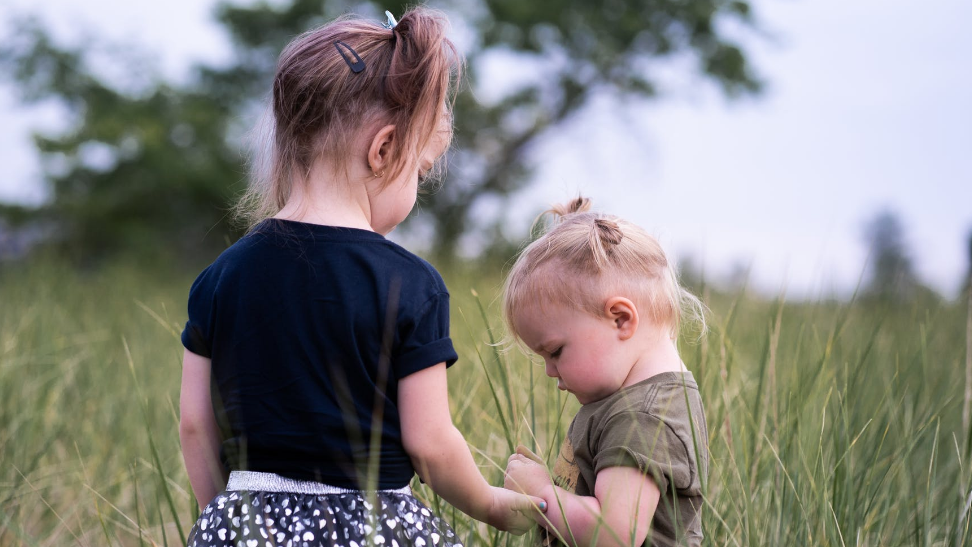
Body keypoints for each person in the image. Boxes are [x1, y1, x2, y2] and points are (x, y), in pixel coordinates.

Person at [178, 8, 543, 547]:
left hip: (241, 518)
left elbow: (194, 426)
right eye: (419, 171)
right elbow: (430, 443)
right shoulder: (411, 283)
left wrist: (228, 521)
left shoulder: (218, 278)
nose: (417, 191)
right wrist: (489, 502)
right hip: (372, 525)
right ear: (384, 149)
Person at [501, 197, 709, 547]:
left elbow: (614, 534)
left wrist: (540, 493)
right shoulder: (624, 401)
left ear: (621, 319)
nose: (551, 371)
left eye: (555, 351)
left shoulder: (643, 416)